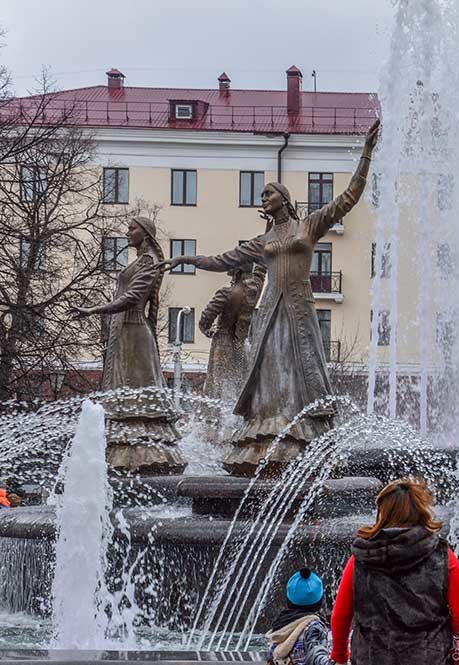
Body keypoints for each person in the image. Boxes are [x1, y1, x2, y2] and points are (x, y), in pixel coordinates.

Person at [161, 120, 380, 474]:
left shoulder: (308, 225)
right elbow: (221, 260)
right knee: (271, 369)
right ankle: (269, 431)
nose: (263, 197)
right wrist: (183, 259)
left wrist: (367, 153)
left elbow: (348, 198)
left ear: (285, 199)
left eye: (268, 192)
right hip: (270, 312)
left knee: (302, 368)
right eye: (262, 194)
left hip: (299, 307)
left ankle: (305, 432)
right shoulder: (262, 241)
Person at [71, 216, 184, 474]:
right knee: (125, 392)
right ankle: (123, 450)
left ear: (145, 234)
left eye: (132, 228)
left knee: (137, 393)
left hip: (134, 335)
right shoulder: (140, 261)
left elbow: (133, 297)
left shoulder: (148, 262)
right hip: (125, 333)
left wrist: (93, 310)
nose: (127, 232)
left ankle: (142, 453)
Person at [330, 478, 459, 665]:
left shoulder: (361, 558)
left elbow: (340, 616)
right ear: (420, 510)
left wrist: (340, 656)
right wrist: (435, 636)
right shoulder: (442, 555)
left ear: (383, 513)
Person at [199, 266, 264, 401]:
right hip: (242, 344)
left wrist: (207, 330)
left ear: (236, 274)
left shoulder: (226, 294)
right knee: (240, 383)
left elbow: (206, 317)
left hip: (223, 343)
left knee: (218, 385)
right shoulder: (255, 291)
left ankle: (215, 418)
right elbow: (260, 274)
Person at [266, 568, 330, 665]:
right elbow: (315, 652)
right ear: (319, 602)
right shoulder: (313, 626)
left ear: (289, 600)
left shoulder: (281, 623)